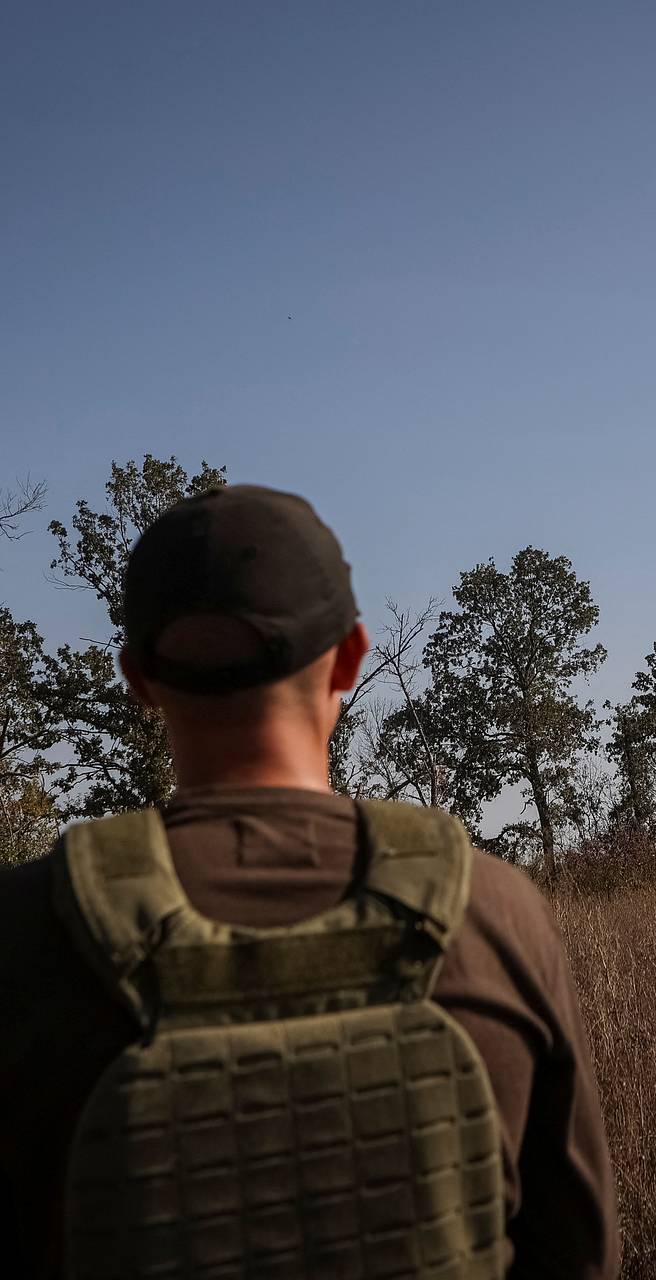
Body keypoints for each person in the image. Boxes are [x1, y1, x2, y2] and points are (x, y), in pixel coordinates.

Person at [0, 483, 619, 1279]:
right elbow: (580, 1255)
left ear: (138, 679)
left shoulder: (24, 934)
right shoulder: (494, 914)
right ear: (354, 656)